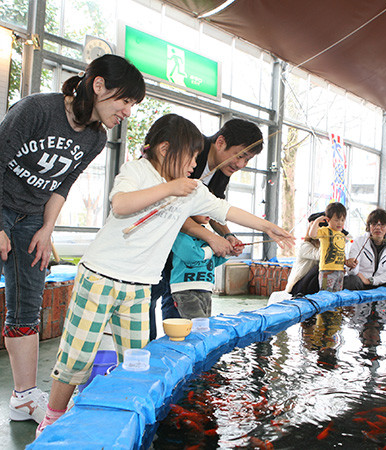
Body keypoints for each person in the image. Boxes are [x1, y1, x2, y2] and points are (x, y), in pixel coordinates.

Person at [36, 114, 293, 435]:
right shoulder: (138, 171)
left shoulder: (191, 189)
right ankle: (53, 417)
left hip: (140, 285)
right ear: (163, 149)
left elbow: (225, 211)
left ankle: (126, 415)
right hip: (100, 276)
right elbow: (121, 205)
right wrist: (172, 188)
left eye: (197, 157)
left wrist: (269, 226)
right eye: (191, 156)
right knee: (77, 355)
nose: (195, 164)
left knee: (136, 359)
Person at [0, 54, 145, 442]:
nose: (127, 111)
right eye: (125, 101)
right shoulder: (37, 109)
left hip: (31, 217)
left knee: (27, 304)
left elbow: (62, 184)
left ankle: (24, 396)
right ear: (98, 86)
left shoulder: (95, 137)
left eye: (132, 105)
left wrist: (47, 229)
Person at [149, 119, 263, 338]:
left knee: (175, 296)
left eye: (247, 160)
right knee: (151, 297)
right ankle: (152, 352)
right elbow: (171, 209)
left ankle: (178, 350)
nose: (241, 165)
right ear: (220, 142)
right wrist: (210, 238)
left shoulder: (222, 171)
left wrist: (227, 235)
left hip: (179, 249)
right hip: (157, 241)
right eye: (239, 155)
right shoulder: (191, 153)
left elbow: (215, 208)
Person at [170, 215, 227, 318]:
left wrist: (228, 252)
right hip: (185, 290)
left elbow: (211, 261)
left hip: (206, 289)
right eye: (203, 208)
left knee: (203, 325)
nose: (209, 213)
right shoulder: (180, 233)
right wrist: (214, 249)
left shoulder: (207, 235)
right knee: (198, 327)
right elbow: (191, 255)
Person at [344, 208, 386, 290]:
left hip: (380, 283)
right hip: (361, 282)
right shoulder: (359, 241)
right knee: (350, 280)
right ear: (369, 226)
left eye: (382, 225)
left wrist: (372, 281)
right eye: (374, 224)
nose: (378, 228)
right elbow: (352, 272)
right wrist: (352, 266)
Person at [309, 202, 354, 292]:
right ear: (328, 220)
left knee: (337, 295)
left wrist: (346, 262)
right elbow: (312, 234)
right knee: (326, 294)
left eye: (342, 220)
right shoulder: (325, 231)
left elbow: (341, 251)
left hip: (340, 271)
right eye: (336, 220)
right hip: (327, 271)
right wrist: (317, 221)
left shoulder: (342, 235)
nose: (340, 223)